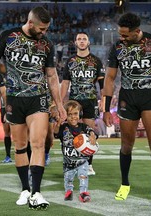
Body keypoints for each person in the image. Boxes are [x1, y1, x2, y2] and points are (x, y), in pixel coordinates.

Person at [0, 6, 66, 210]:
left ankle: (37, 192)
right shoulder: (8, 36)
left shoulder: (46, 44)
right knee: (20, 146)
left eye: (46, 29)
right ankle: (25, 189)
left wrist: (59, 104)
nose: (44, 33)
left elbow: (52, 77)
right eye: (41, 29)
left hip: (38, 99)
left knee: (37, 144)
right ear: (30, 23)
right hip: (14, 99)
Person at [102, 12, 151, 211]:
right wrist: (105, 108)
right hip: (127, 99)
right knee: (126, 145)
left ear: (137, 31)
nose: (122, 38)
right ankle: (125, 184)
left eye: (125, 35)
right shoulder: (117, 47)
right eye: (120, 34)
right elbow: (110, 78)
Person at [60, 31, 105, 176]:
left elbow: (102, 84)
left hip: (91, 101)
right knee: (72, 133)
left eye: (84, 39)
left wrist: (104, 100)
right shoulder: (70, 61)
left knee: (89, 132)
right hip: (74, 101)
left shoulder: (96, 61)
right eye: (79, 39)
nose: (81, 41)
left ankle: (89, 165)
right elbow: (65, 83)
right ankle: (73, 163)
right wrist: (60, 103)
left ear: (88, 42)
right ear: (75, 42)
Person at [54, 100, 97, 202]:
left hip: (82, 160)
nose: (73, 117)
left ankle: (84, 192)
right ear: (65, 115)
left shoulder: (84, 127)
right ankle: (69, 191)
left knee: (83, 176)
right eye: (70, 114)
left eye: (75, 114)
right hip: (68, 161)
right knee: (68, 178)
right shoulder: (63, 128)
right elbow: (55, 133)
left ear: (80, 114)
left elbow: (91, 132)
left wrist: (92, 136)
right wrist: (58, 122)